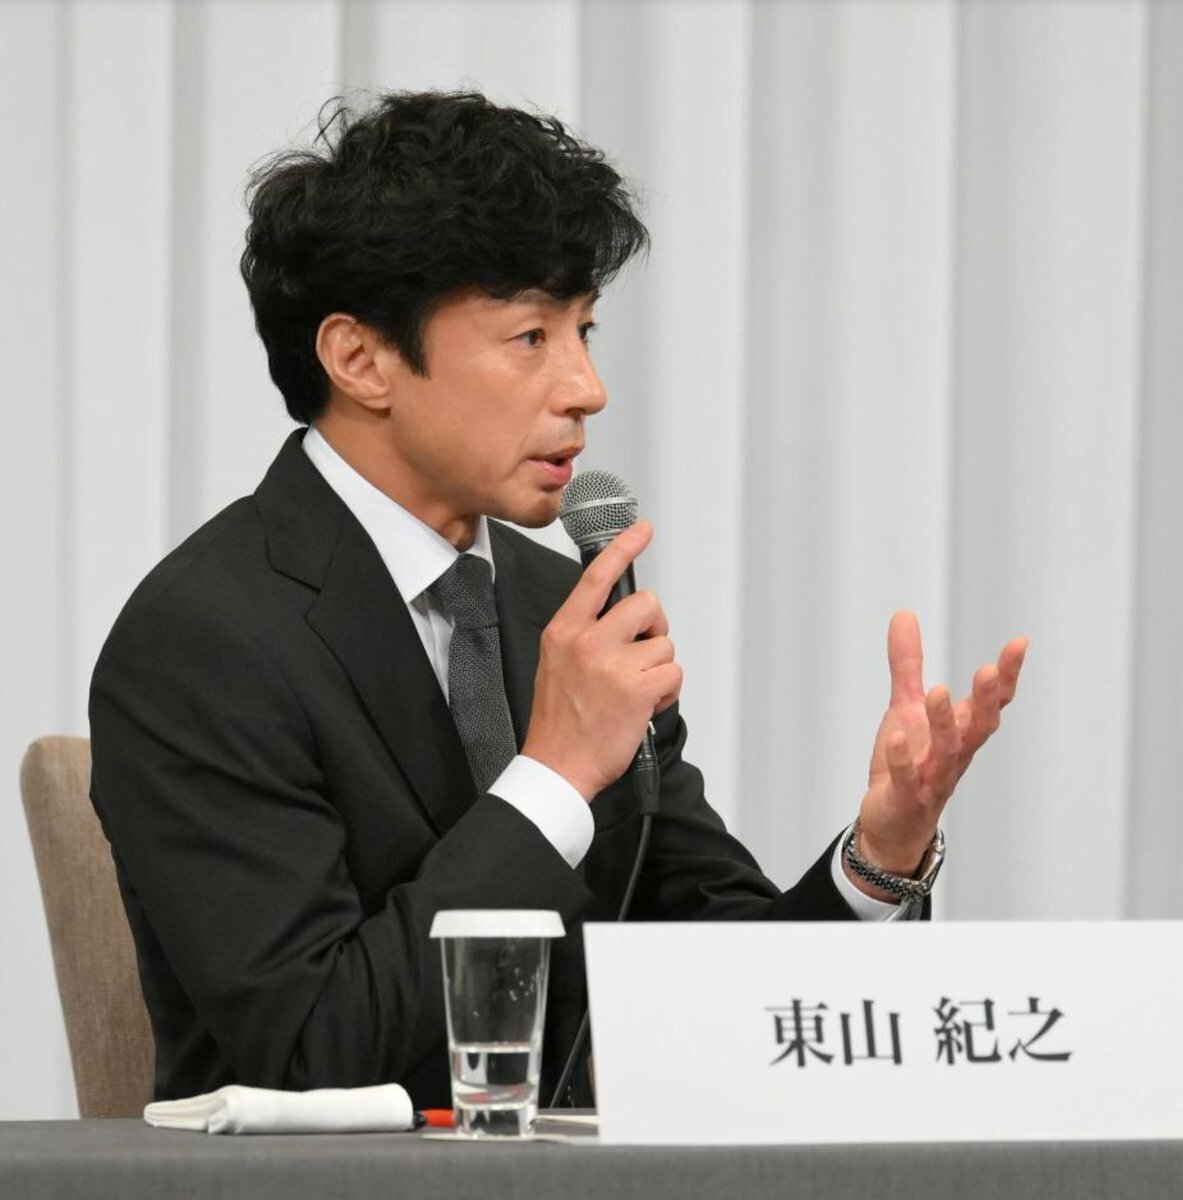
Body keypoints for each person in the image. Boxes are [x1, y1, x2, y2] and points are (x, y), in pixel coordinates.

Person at [89, 91, 1026, 1108]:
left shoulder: (561, 606)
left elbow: (731, 993)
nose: (587, 387)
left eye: (583, 329)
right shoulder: (204, 638)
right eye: (531, 337)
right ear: (360, 359)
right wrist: (555, 776)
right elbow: (312, 1050)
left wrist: (877, 859)